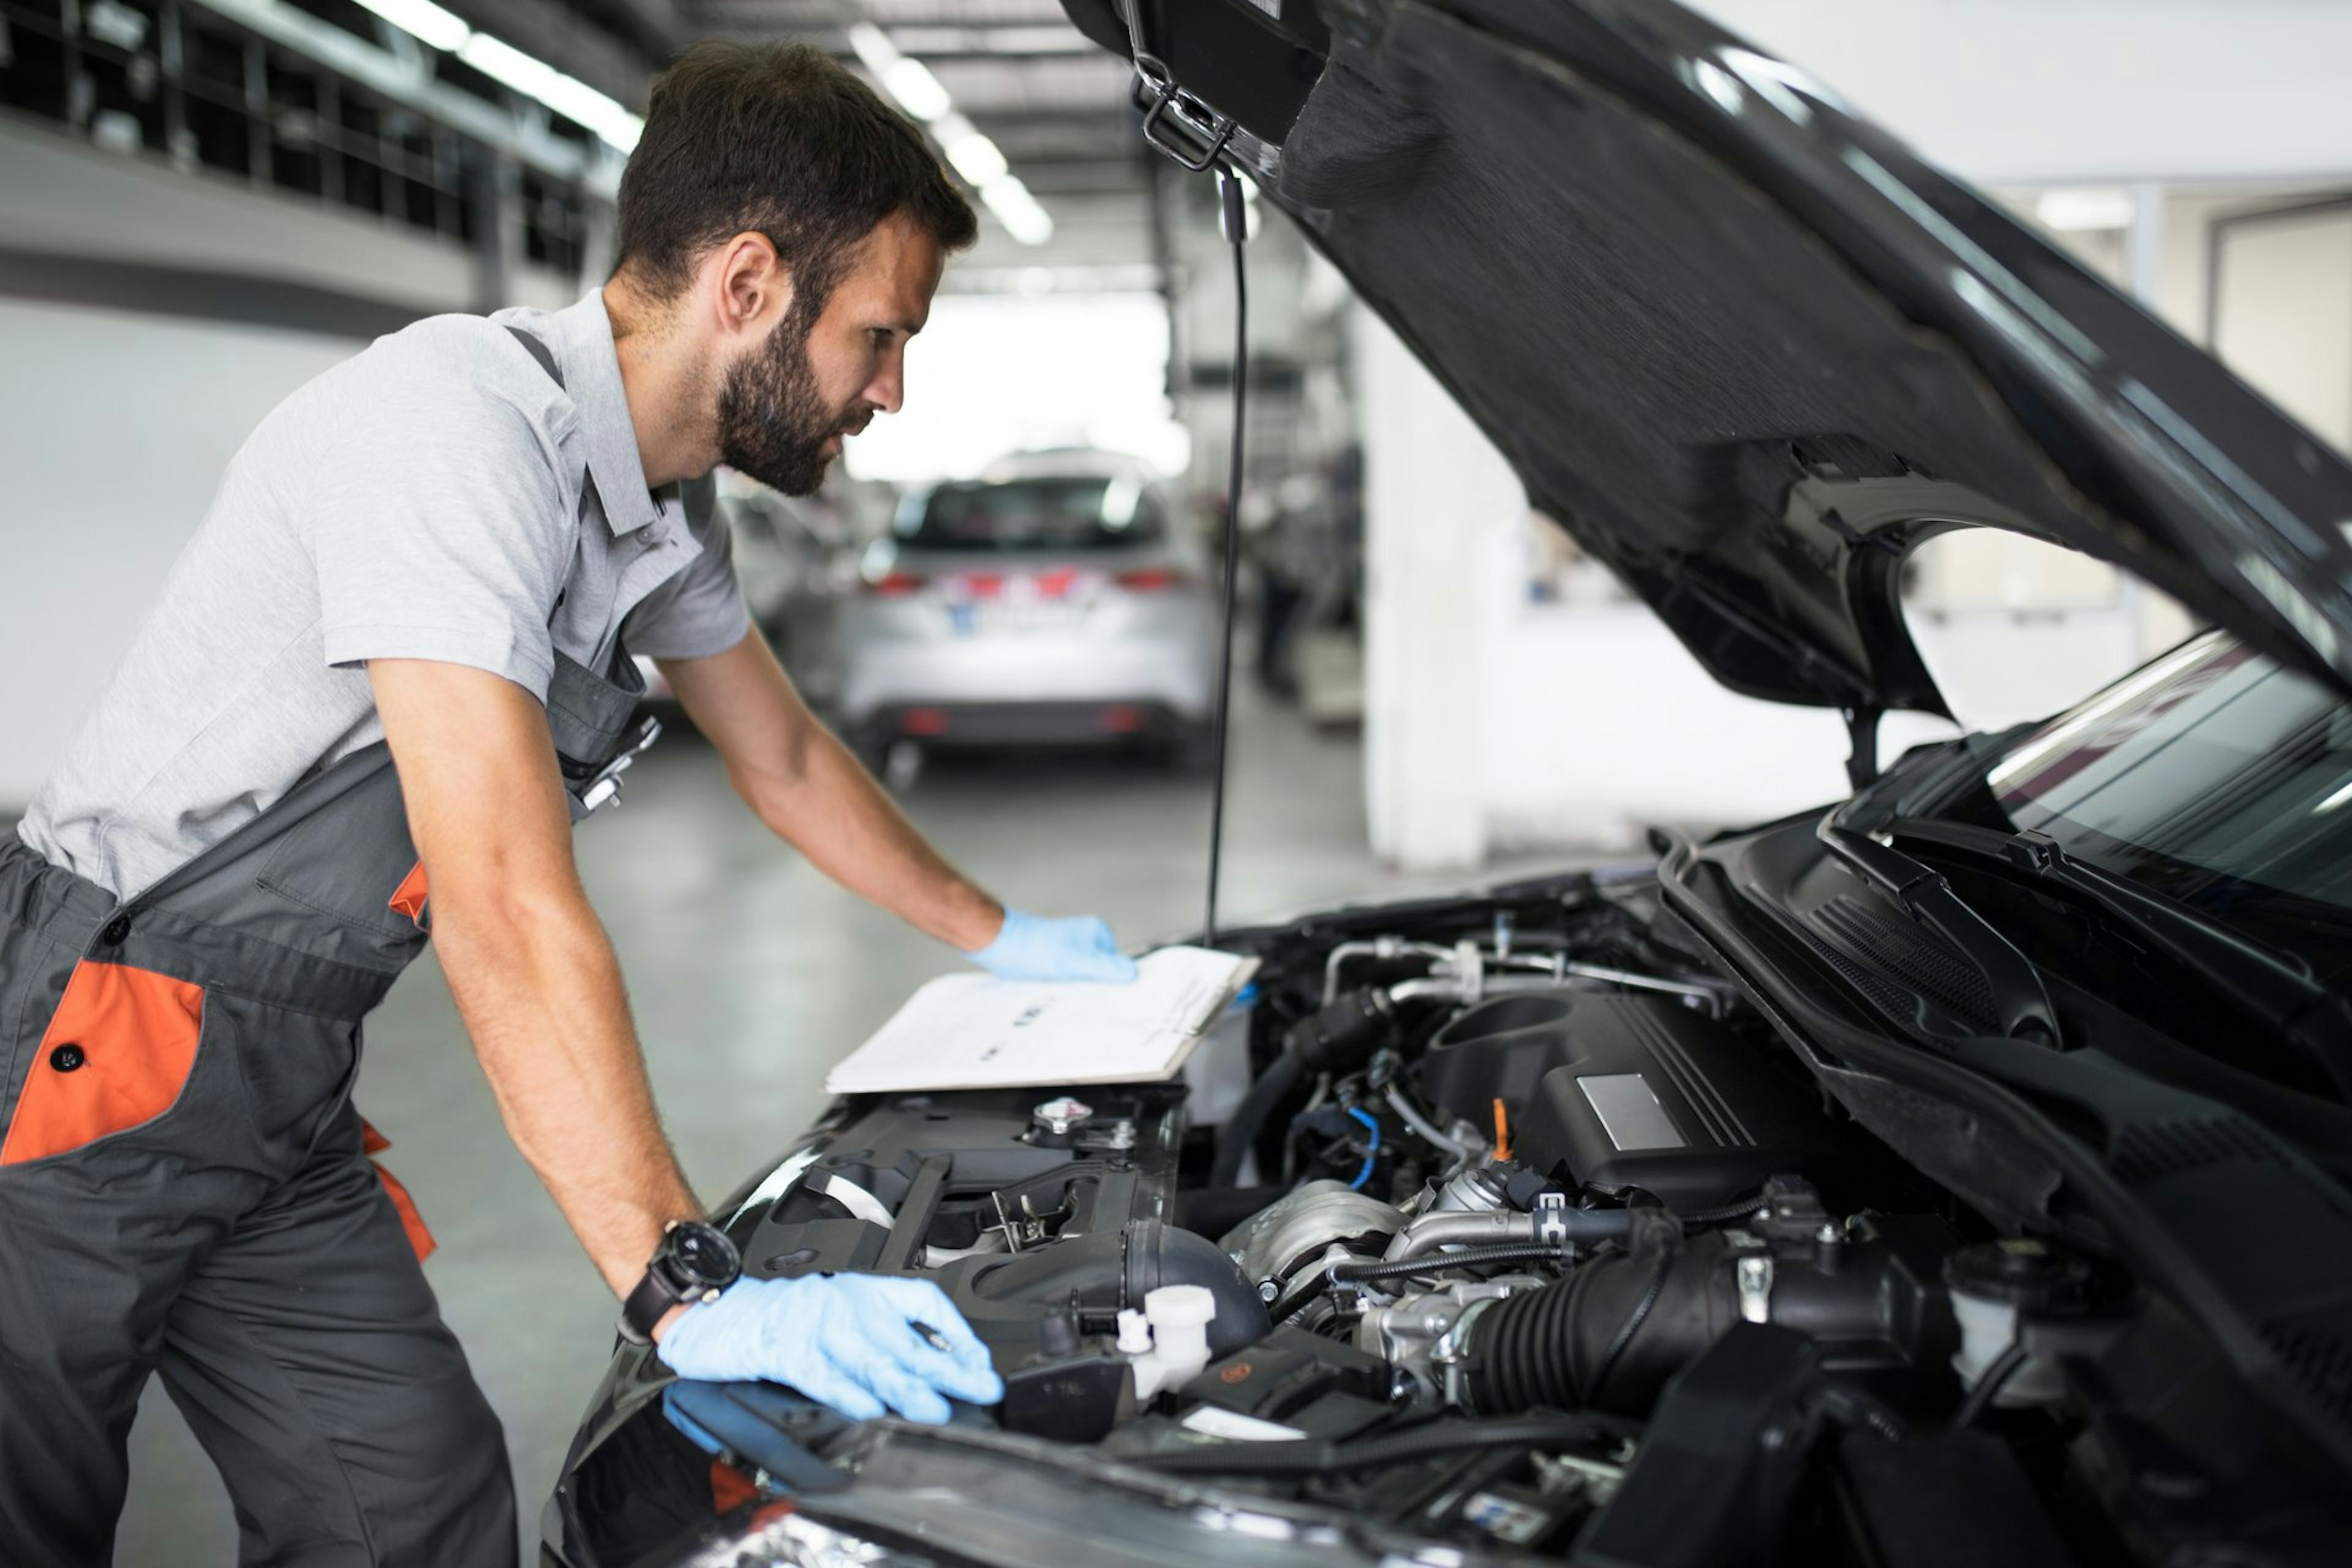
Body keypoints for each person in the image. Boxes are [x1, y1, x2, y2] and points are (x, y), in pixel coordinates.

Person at [0, 41, 1134, 1567]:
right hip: (85, 1049)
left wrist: (1006, 937)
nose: (892, 386)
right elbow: (505, 906)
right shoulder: (452, 433)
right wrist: (690, 1285)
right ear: (747, 284)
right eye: (880, 333)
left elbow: (786, 758)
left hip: (282, 1083)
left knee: (410, 1507)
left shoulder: (667, 510)